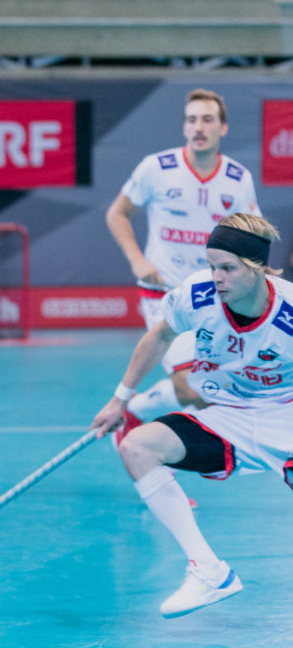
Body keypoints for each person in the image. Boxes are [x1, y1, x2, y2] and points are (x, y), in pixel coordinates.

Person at [91, 214, 292, 618]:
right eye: (211, 265)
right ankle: (209, 571)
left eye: (228, 268)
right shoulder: (196, 296)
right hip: (227, 416)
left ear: (256, 268)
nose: (216, 276)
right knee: (136, 448)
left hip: (286, 415)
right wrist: (120, 399)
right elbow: (160, 336)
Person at [106, 88, 260, 443]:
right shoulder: (156, 168)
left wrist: (258, 273)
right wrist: (137, 259)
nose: (198, 127)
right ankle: (141, 423)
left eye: (207, 119)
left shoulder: (238, 178)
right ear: (184, 126)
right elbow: (117, 214)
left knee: (214, 390)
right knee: (194, 388)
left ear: (222, 128)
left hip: (217, 297)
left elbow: (253, 235)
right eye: (191, 119)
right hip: (165, 293)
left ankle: (140, 421)